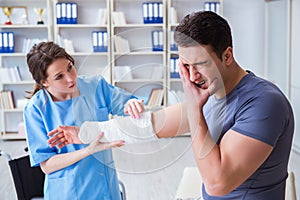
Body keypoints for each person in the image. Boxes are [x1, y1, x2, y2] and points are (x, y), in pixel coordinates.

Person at [47, 11, 295, 200]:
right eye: (184, 66)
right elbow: (151, 125)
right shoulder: (214, 91)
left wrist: (195, 109)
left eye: (199, 64)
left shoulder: (264, 103)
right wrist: (83, 132)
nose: (192, 76)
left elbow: (218, 183)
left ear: (227, 56)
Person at [24, 41, 145, 200]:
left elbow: (125, 104)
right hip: (68, 192)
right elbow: (47, 165)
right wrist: (88, 150)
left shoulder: (95, 85)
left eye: (69, 67)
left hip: (105, 186)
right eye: (59, 76)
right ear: (44, 82)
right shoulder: (36, 109)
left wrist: (131, 105)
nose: (70, 78)